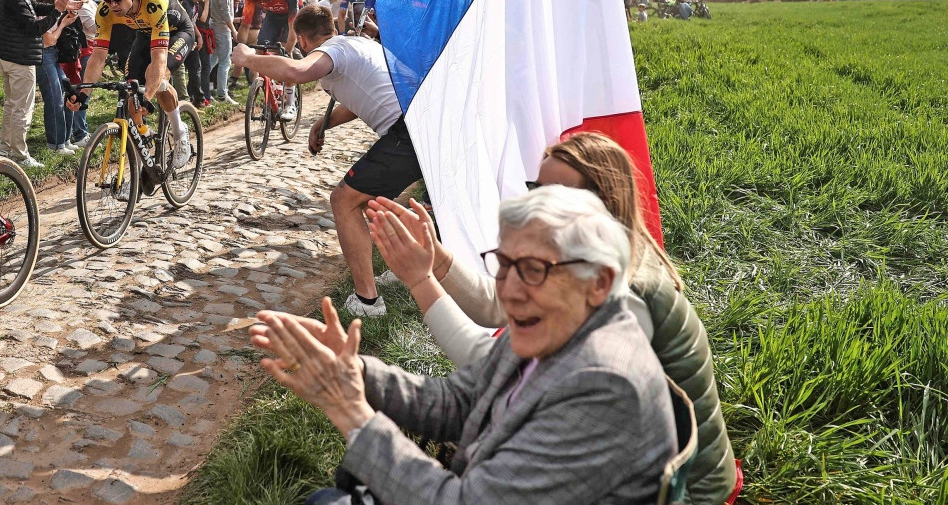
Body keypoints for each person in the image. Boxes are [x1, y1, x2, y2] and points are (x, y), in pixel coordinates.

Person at [367, 132, 739, 503]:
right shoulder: (592, 259)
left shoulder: (625, 296)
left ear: (601, 204)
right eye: (536, 189)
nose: (542, 203)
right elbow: (497, 309)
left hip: (688, 491)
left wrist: (420, 280)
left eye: (559, 194)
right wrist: (436, 259)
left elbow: (490, 368)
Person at [251, 186, 677, 504]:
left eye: (530, 269)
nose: (508, 290)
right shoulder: (560, 322)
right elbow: (461, 400)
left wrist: (351, 412)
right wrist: (354, 372)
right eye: (504, 264)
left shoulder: (603, 383)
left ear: (599, 282)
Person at [232, 4, 421, 317]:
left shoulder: (333, 50)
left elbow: (296, 73)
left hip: (405, 133)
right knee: (374, 202)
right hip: (418, 124)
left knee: (344, 201)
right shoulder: (357, 43)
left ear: (303, 41)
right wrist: (325, 122)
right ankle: (408, 267)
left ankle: (368, 302)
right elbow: (364, 97)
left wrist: (248, 58)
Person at [68, 0, 194, 170]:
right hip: (146, 32)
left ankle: (180, 132)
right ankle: (143, 157)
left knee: (159, 79)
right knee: (131, 89)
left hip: (177, 31)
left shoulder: (152, 1)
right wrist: (83, 94)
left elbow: (159, 58)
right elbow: (98, 57)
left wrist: (148, 97)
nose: (113, 4)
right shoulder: (105, 12)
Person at [0, 0, 81, 168]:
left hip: (8, 56)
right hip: (20, 59)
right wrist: (59, 11)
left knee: (12, 105)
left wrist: (60, 7)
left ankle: (6, 148)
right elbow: (35, 28)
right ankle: (20, 155)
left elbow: (34, 7)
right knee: (22, 109)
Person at [239, 0, 302, 120]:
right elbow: (245, 24)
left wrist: (288, 49)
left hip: (291, 17)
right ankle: (269, 92)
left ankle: (289, 104)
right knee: (260, 50)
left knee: (287, 57)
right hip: (272, 17)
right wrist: (240, 48)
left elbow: (293, 25)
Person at [34, 0, 79, 154]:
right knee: (54, 100)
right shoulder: (40, 13)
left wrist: (65, 18)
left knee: (68, 93)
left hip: (52, 56)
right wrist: (64, 24)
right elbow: (50, 40)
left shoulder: (53, 10)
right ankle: (55, 144)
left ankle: (65, 139)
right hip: (43, 56)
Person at [62, 0, 98, 147]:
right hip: (85, 50)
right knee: (83, 91)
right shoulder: (81, 5)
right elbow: (94, 27)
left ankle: (80, 130)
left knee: (86, 90)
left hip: (92, 48)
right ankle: (80, 132)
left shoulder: (90, 2)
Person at [184, 0, 213, 106]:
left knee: (196, 68)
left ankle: (198, 98)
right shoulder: (186, 4)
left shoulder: (195, 3)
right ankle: (191, 98)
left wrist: (198, 36)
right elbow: (186, 23)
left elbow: (192, 22)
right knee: (191, 69)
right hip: (182, 40)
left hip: (190, 38)